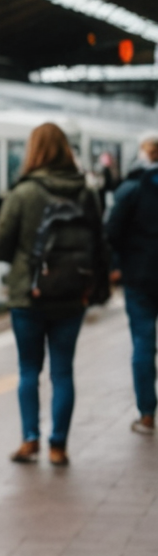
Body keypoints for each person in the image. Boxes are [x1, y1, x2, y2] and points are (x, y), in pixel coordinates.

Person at [0, 122, 109, 466]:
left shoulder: (24, 192)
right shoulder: (85, 192)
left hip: (29, 296)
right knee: (63, 372)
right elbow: (99, 243)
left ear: (34, 150)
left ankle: (30, 440)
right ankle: (59, 445)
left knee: (29, 371)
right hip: (72, 294)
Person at [107, 134, 158, 435]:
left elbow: (112, 232)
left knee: (143, 342)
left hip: (139, 277)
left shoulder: (131, 189)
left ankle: (147, 414)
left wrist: (121, 261)